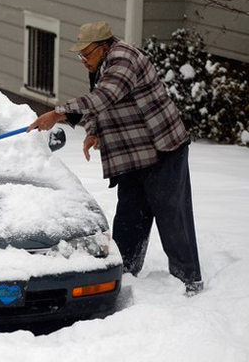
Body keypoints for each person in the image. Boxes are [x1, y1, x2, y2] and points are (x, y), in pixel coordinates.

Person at [27, 21, 203, 296]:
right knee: (130, 216)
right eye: (80, 55)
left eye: (87, 54)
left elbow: (106, 96)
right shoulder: (102, 64)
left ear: (104, 46)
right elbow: (107, 107)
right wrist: (94, 132)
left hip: (161, 147)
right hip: (133, 152)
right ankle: (126, 272)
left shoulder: (124, 58)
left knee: (172, 216)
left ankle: (188, 279)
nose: (83, 60)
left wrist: (59, 113)